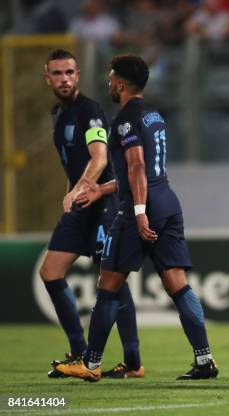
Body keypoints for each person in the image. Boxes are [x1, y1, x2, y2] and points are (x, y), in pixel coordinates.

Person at [54, 55, 218, 382]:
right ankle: (205, 359)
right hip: (167, 200)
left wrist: (140, 213)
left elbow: (137, 167)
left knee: (108, 286)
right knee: (177, 285)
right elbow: (145, 172)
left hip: (139, 208)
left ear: (120, 84)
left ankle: (89, 364)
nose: (108, 84)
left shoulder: (126, 119)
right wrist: (102, 191)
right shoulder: (154, 115)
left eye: (111, 79)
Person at [41, 49, 143, 380]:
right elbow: (75, 160)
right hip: (80, 201)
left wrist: (78, 188)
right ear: (48, 78)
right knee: (50, 272)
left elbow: (98, 158)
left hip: (101, 204)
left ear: (78, 75)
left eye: (70, 72)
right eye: (58, 73)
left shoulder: (90, 111)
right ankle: (77, 349)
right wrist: (70, 187)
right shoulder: (58, 113)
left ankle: (132, 360)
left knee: (110, 279)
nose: (65, 78)